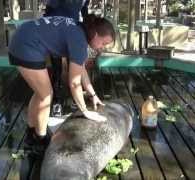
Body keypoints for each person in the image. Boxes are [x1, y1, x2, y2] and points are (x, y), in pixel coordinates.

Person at [8, 14, 115, 157]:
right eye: (103, 43)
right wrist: (85, 111)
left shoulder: (79, 29)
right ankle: (40, 141)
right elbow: (74, 82)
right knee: (46, 95)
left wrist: (93, 94)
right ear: (95, 34)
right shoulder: (79, 41)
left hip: (22, 37)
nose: (102, 48)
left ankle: (32, 131)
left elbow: (80, 69)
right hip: (26, 46)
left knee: (41, 93)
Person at [44, 0, 90, 117]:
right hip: (55, 33)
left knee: (75, 69)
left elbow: (84, 11)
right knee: (57, 70)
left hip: (73, 32)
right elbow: (49, 8)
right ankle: (57, 102)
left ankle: (76, 100)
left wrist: (87, 27)